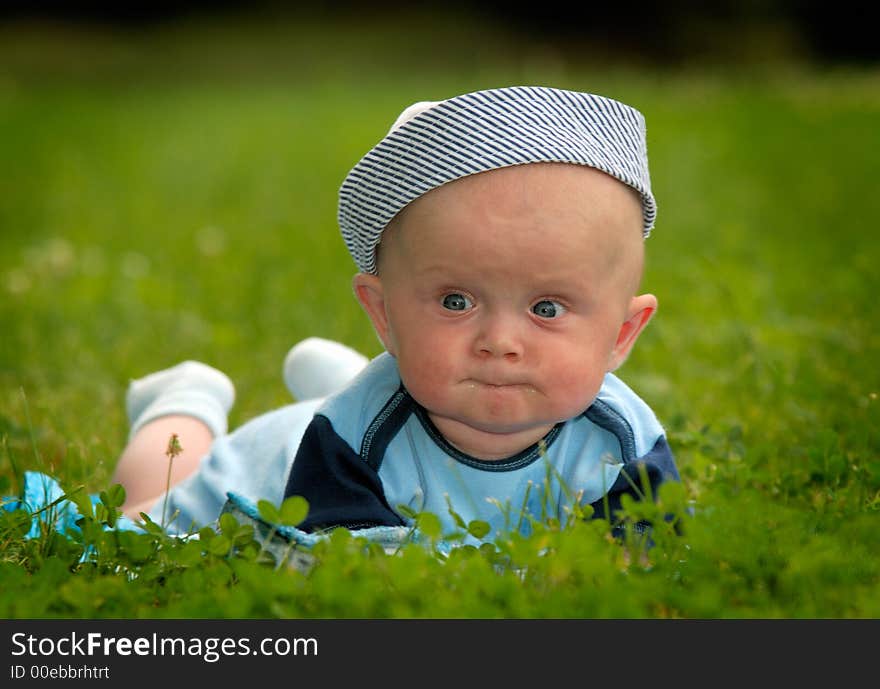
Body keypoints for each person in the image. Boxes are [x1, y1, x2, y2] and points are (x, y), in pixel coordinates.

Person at [110, 85, 681, 543]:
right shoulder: (351, 439)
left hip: (376, 403)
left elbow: (646, 563)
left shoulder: (623, 442)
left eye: (547, 308)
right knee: (144, 517)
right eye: (456, 302)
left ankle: (343, 373)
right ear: (385, 315)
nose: (501, 341)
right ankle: (185, 399)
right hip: (278, 460)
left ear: (621, 334)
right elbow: (343, 568)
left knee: (399, 385)